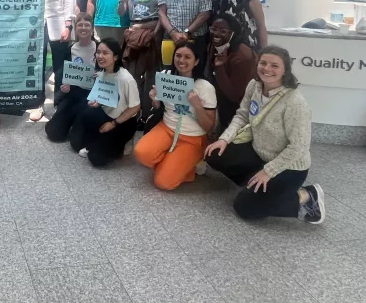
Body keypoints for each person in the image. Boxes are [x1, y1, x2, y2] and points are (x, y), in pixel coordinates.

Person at [205, 46, 325, 224]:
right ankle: (256, 186)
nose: (267, 69)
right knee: (214, 154)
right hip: (260, 154)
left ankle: (306, 195)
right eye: (263, 63)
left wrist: (268, 172)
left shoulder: (294, 102)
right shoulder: (254, 85)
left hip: (289, 167)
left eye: (275, 65)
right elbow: (242, 115)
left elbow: (299, 147)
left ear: (285, 70)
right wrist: (224, 139)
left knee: (244, 208)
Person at [135, 43, 217, 190]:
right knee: (141, 153)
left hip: (192, 137)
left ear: (196, 61)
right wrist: (155, 100)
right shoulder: (166, 76)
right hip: (166, 128)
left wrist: (198, 105)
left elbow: (209, 127)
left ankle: (192, 161)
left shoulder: (205, 87)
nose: (181, 60)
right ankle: (175, 162)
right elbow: (159, 108)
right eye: (178, 56)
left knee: (164, 183)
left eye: (187, 57)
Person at [24, 0, 76, 120]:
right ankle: (38, 105)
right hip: (36, 23)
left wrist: (68, 26)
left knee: (60, 67)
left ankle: (59, 105)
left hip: (59, 22)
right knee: (38, 65)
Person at [68, 38, 140, 167]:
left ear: (116, 57)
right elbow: (107, 97)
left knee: (96, 159)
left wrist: (113, 124)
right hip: (107, 115)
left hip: (123, 121)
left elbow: (135, 107)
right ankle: (99, 140)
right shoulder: (102, 73)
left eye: (106, 53)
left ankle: (124, 142)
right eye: (98, 52)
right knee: (86, 114)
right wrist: (98, 103)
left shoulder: (126, 79)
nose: (100, 56)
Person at [119, 0, 161, 124]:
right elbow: (121, 13)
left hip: (153, 32)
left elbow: (162, 14)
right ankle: (132, 113)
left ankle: (146, 114)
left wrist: (155, 32)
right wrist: (122, 1)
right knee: (133, 74)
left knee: (151, 74)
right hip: (134, 32)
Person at [45, 13, 96, 142]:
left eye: (87, 25)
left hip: (92, 95)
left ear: (92, 27)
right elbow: (65, 75)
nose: (83, 28)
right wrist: (64, 86)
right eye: (80, 25)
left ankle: (79, 124)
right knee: (54, 133)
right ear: (76, 28)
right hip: (74, 93)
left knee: (77, 141)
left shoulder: (99, 48)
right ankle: (71, 121)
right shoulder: (70, 49)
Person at [206, 15, 257, 132]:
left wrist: (220, 67)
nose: (216, 34)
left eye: (223, 31)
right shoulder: (214, 45)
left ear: (233, 34)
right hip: (221, 97)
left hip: (238, 107)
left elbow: (235, 96)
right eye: (213, 29)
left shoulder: (243, 56)